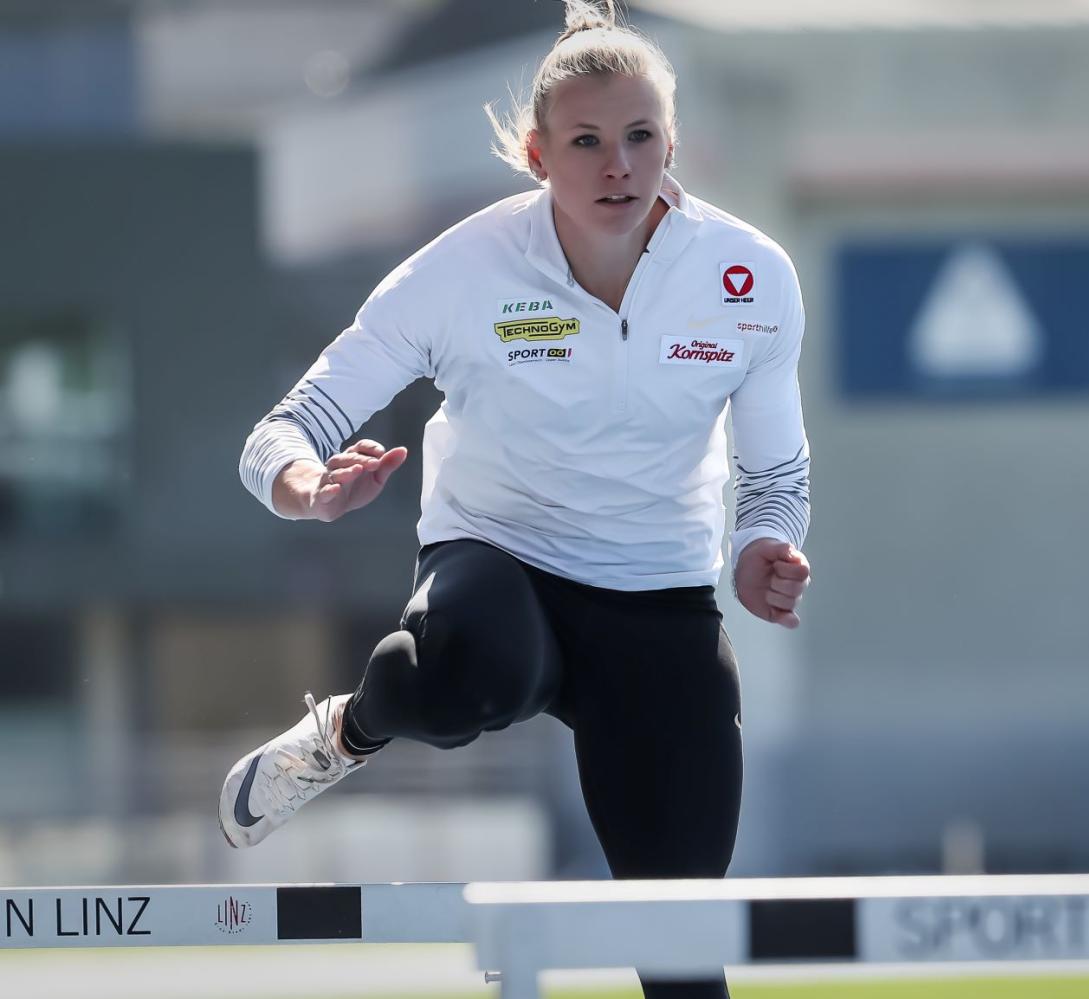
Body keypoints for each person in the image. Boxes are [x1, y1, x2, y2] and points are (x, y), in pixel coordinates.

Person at [217, 3, 810, 996]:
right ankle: (348, 730)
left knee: (682, 956)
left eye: (640, 137)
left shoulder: (750, 279)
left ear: (673, 143)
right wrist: (307, 487)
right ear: (537, 155)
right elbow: (278, 433)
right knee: (474, 672)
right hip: (500, 561)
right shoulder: (462, 271)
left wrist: (764, 544)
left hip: (658, 598)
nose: (618, 166)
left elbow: (776, 476)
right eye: (586, 142)